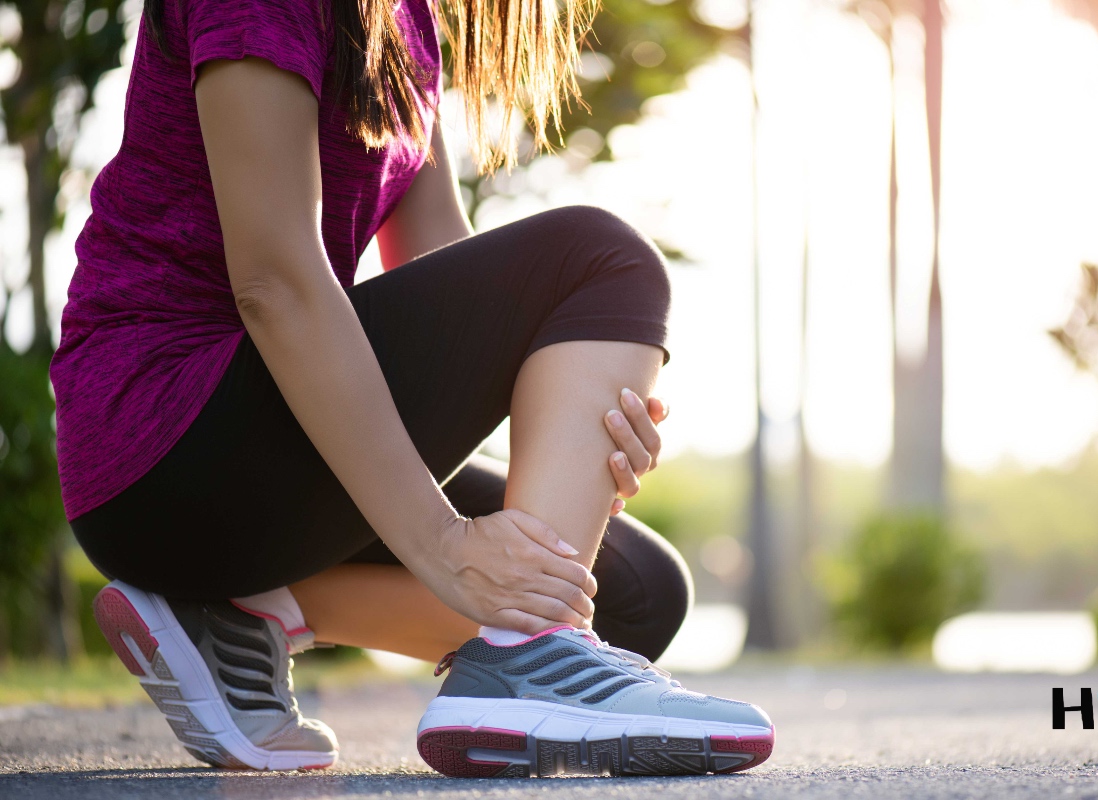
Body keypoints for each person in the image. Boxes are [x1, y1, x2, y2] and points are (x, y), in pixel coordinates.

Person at [52, 0, 774, 779]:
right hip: (165, 438)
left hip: (246, 467)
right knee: (600, 258)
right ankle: (523, 663)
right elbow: (276, 282)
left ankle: (230, 611)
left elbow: (444, 268)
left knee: (631, 592)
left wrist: (575, 430)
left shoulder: (401, 17)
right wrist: (443, 546)